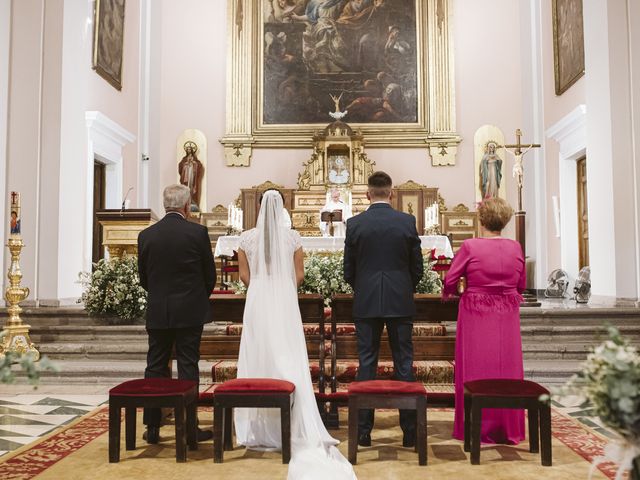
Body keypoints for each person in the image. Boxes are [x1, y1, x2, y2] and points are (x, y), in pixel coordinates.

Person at [235, 190, 356, 480]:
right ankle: (292, 416)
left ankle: (259, 424)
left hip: (257, 298)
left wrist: (263, 285)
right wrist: (281, 285)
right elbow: (299, 275)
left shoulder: (246, 238)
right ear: (283, 209)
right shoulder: (292, 238)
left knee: (259, 350)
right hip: (285, 299)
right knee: (286, 350)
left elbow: (243, 276)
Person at [343, 171, 424, 448]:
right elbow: (417, 267)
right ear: (391, 193)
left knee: (367, 363)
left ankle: (364, 433)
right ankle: (410, 432)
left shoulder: (355, 224)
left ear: (367, 194)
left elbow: (348, 270)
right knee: (404, 362)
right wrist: (403, 285)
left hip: (366, 301)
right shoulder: (406, 221)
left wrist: (364, 286)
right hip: (400, 300)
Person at [137, 184, 216, 444]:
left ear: (164, 205)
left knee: (155, 366)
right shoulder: (197, 233)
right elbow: (210, 276)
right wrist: (195, 297)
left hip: (158, 310)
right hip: (190, 311)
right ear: (187, 206)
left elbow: (144, 278)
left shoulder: (147, 235)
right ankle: (190, 428)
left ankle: (153, 428)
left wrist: (161, 296)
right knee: (188, 365)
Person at [443, 197, 526, 445]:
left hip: (476, 313)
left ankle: (475, 427)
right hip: (507, 313)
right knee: (506, 367)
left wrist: (455, 290)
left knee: (477, 366)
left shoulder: (470, 246)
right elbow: (520, 284)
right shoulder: (515, 247)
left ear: (481, 220)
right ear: (505, 221)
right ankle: (507, 427)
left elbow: (450, 280)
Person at [178, 141, 205, 211]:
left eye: (190, 149)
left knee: (192, 188)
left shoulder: (195, 159)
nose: (189, 151)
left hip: (192, 176)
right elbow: (180, 167)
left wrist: (193, 164)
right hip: (185, 177)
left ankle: (192, 201)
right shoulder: (184, 159)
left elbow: (199, 166)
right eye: (188, 150)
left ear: (192, 150)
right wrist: (186, 164)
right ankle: (186, 202)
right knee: (185, 188)